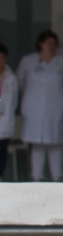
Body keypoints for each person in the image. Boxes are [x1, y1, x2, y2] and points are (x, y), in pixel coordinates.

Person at [16, 31, 63, 182]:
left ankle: (57, 178)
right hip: (34, 110)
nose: (52, 46)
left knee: (54, 144)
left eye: (54, 43)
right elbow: (20, 82)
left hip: (55, 110)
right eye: (48, 43)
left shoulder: (62, 63)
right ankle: (36, 178)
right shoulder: (28, 62)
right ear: (40, 44)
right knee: (37, 145)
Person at [0, 42, 18, 180]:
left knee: (1, 153)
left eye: (2, 58)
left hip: (4, 122)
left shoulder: (11, 78)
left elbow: (14, 101)